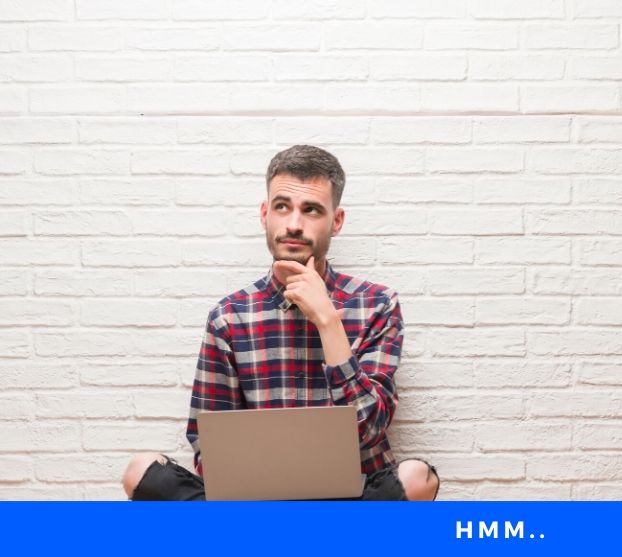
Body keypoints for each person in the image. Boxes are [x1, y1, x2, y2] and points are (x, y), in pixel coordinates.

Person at [120, 145, 440, 501]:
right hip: (256, 501)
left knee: (417, 478)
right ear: (264, 214)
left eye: (312, 210)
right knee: (141, 471)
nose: (293, 224)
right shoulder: (229, 316)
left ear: (336, 221)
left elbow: (370, 430)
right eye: (282, 206)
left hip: (352, 498)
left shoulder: (377, 305)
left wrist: (327, 320)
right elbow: (207, 444)